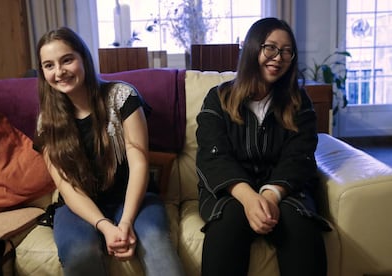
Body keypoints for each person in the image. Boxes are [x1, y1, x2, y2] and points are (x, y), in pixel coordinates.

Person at [34, 26, 184, 276]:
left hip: (134, 197)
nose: (59, 72)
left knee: (157, 244)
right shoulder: (45, 122)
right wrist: (104, 226)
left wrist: (125, 222)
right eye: (49, 65)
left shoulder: (121, 96)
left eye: (67, 60)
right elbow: (67, 187)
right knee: (80, 253)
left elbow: (139, 163)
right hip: (78, 206)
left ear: (84, 58)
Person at [196, 17, 330, 276]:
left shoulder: (298, 101)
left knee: (300, 224)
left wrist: (270, 195)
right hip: (230, 190)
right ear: (252, 48)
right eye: (270, 48)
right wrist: (247, 197)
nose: (278, 57)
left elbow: (300, 156)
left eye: (286, 51)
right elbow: (212, 156)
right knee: (228, 222)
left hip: (284, 189)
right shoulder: (218, 97)